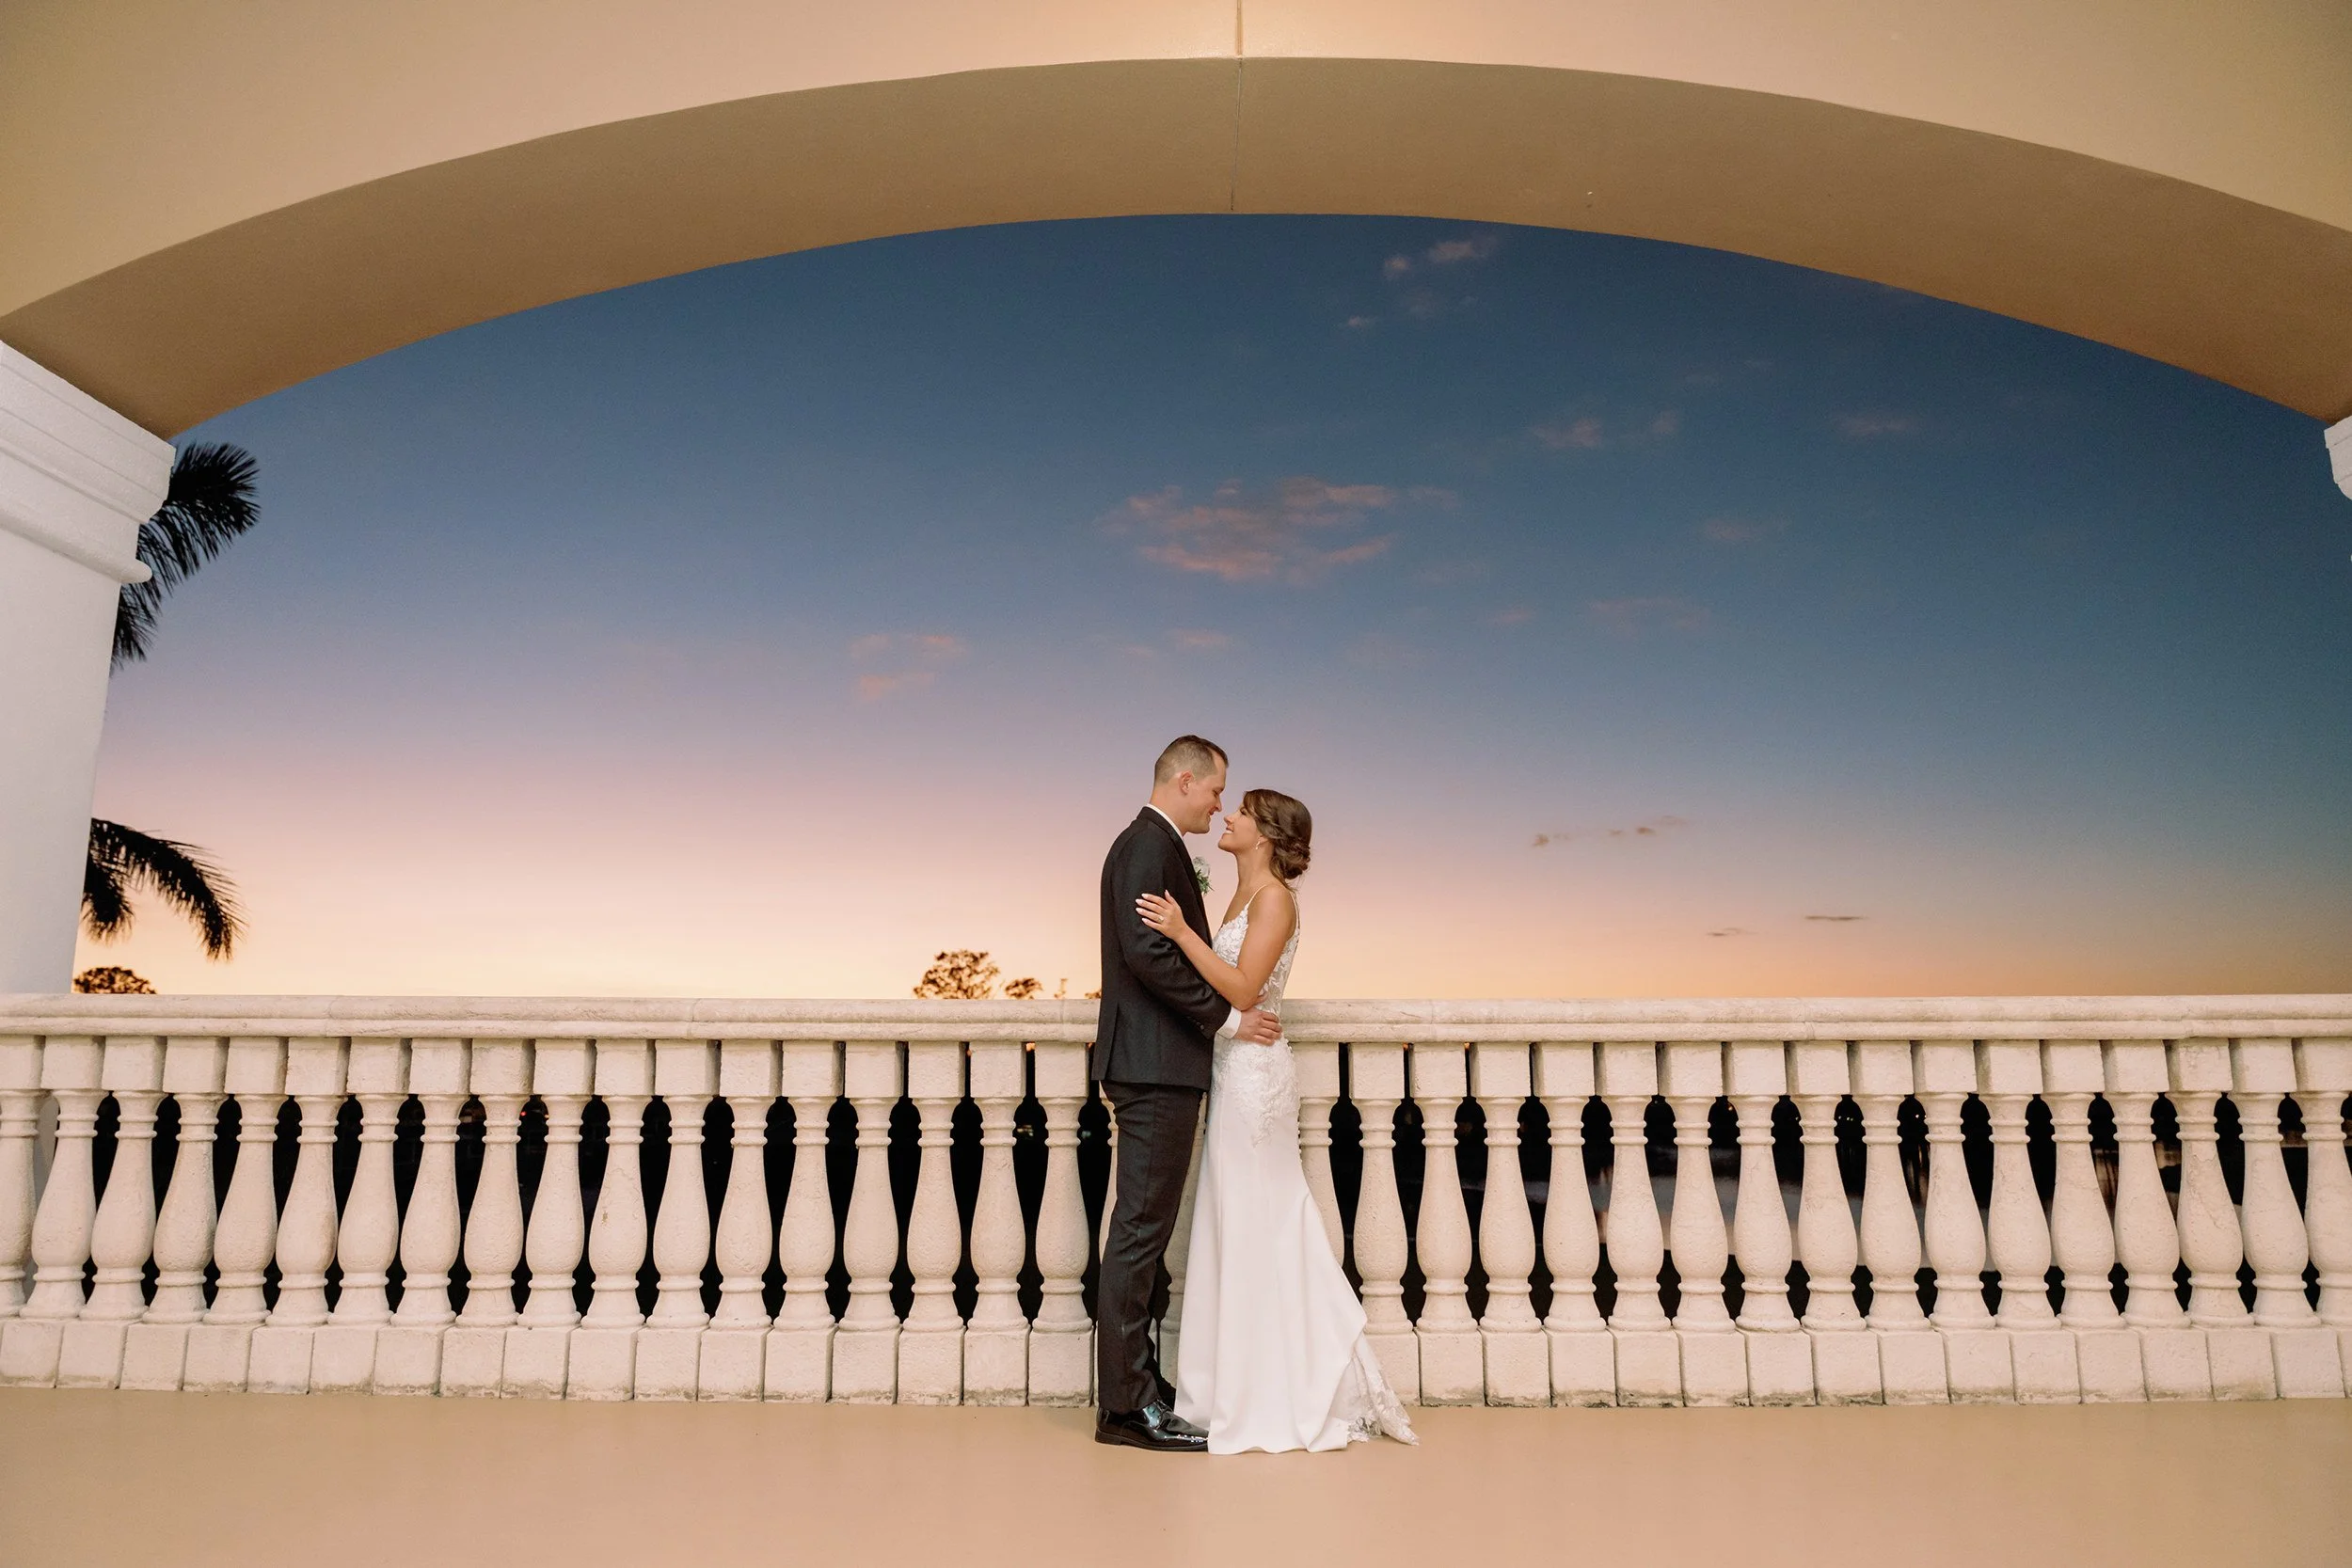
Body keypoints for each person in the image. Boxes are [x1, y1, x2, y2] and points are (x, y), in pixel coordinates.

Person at [1136, 786, 1418, 1453]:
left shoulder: (1274, 900)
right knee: (1234, 1219)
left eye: (1240, 812)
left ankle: (1290, 1384)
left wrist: (1178, 932)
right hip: (1230, 1069)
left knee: (1264, 1215)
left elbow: (1242, 988)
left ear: (1261, 835)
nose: (1227, 816)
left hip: (1255, 1078)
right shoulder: (1237, 897)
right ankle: (1236, 1384)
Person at [1093, 736, 1282, 1451]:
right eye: (1214, 789)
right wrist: (1227, 1018)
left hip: (1158, 1064)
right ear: (1183, 779)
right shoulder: (1148, 845)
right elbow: (1146, 955)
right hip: (1153, 1065)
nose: (1218, 803)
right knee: (1140, 1233)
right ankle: (1126, 1407)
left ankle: (1139, 1386)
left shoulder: (1153, 845)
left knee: (1145, 1231)